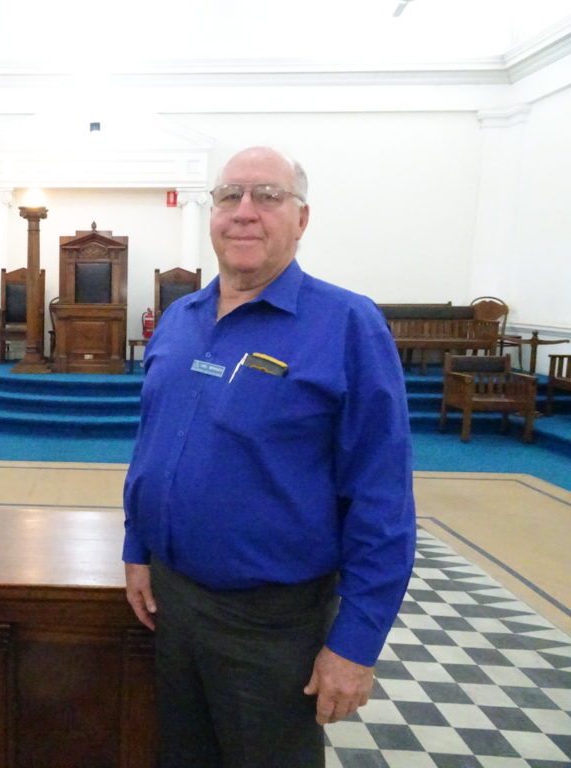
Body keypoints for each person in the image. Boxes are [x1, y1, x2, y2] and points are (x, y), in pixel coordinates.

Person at [123, 147, 416, 767]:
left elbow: (382, 497)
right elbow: (151, 445)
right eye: (229, 196)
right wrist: (136, 549)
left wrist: (357, 645)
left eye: (267, 196)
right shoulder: (180, 319)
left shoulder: (346, 325)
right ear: (212, 215)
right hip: (173, 606)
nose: (245, 212)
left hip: (273, 625)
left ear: (302, 218)